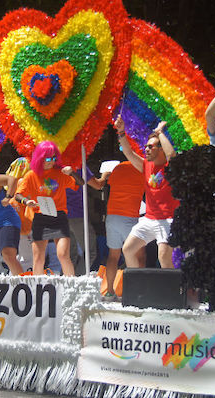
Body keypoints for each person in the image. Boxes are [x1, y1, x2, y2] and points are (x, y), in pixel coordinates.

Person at [115, 116, 178, 269]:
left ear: (161, 148)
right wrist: (121, 132)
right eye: (146, 146)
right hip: (149, 219)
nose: (146, 149)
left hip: (168, 220)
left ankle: (173, 290)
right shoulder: (146, 165)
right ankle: (138, 285)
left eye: (151, 146)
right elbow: (128, 153)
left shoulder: (172, 166)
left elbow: (171, 156)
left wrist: (160, 133)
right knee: (128, 249)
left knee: (163, 257)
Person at [15, 141, 84, 276]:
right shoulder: (31, 175)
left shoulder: (60, 173)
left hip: (59, 217)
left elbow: (80, 183)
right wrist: (27, 201)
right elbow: (18, 195)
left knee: (63, 255)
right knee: (38, 258)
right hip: (41, 218)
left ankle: (72, 286)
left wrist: (72, 173)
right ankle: (38, 289)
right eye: (48, 158)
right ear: (40, 157)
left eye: (54, 158)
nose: (51, 161)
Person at [103, 161, 146, 300]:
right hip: (130, 218)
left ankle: (109, 292)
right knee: (139, 256)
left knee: (113, 256)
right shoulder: (143, 168)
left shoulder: (118, 168)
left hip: (112, 217)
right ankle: (137, 292)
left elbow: (110, 183)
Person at [66, 166, 109, 275]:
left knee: (70, 254)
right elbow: (98, 185)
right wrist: (105, 176)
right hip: (77, 214)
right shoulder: (78, 167)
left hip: (62, 215)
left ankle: (67, 280)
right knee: (90, 252)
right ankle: (77, 280)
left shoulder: (55, 165)